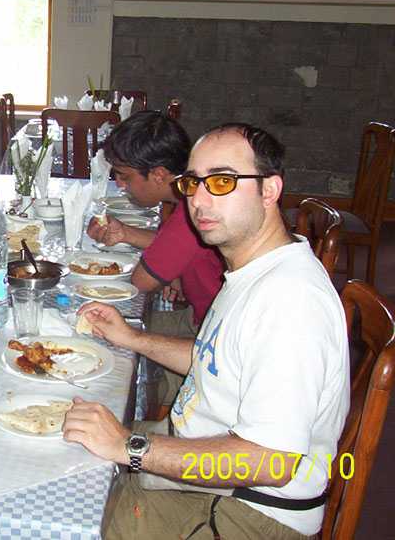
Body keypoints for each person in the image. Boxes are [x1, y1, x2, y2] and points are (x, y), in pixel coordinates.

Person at [67, 124, 349, 538]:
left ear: (269, 190)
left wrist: (129, 447)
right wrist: (132, 338)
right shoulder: (253, 268)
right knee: (63, 437)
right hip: (208, 464)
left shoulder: (290, 302)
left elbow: (270, 463)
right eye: (193, 183)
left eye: (222, 182)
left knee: (70, 517)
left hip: (247, 510)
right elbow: (217, 360)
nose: (198, 200)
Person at [86, 111, 224, 408]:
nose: (120, 185)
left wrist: (167, 269)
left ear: (159, 175)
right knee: (106, 329)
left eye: (125, 176)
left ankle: (147, 410)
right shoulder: (192, 199)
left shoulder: (189, 214)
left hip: (210, 338)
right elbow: (176, 246)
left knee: (98, 353)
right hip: (201, 318)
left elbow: (140, 282)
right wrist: (125, 233)